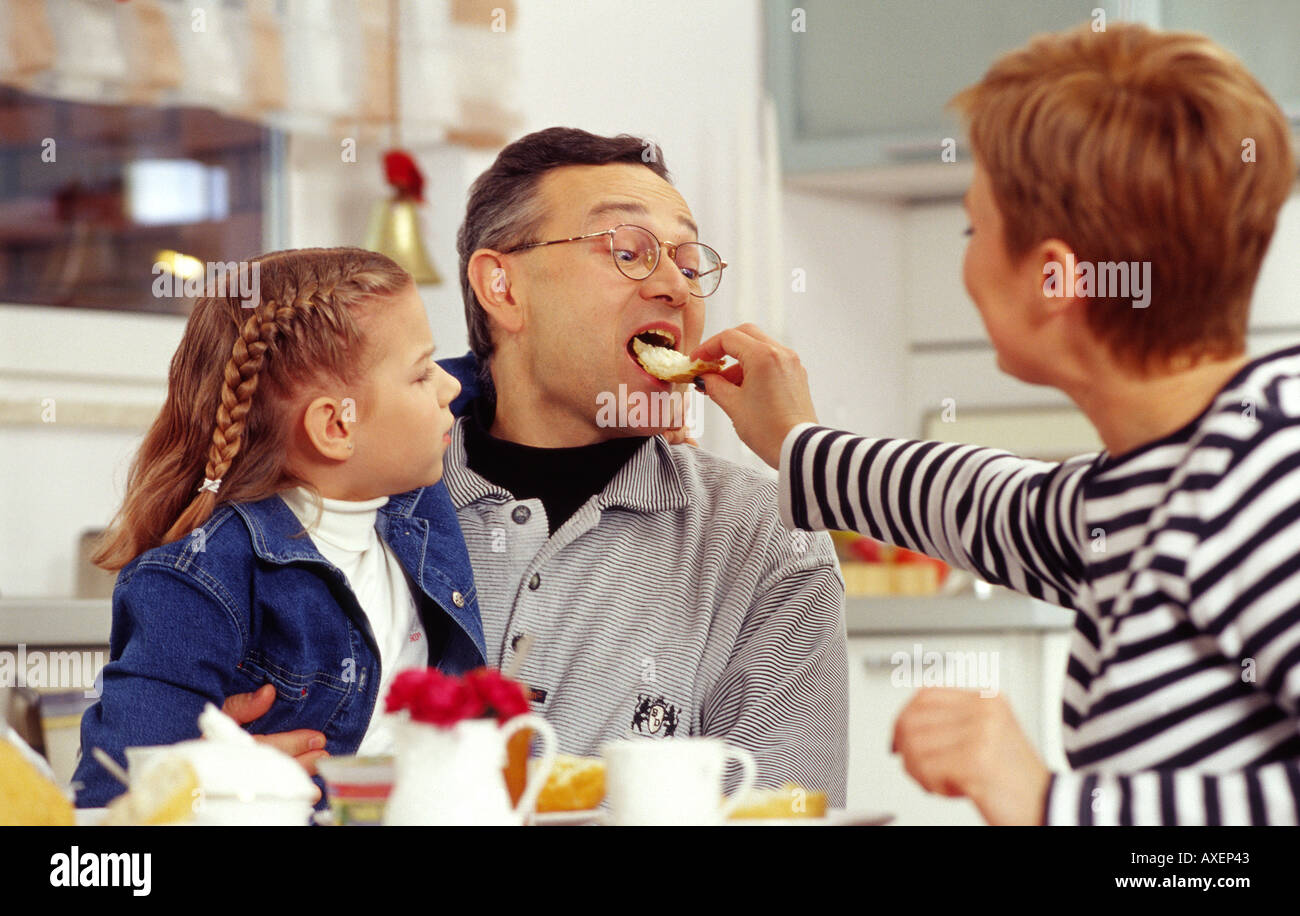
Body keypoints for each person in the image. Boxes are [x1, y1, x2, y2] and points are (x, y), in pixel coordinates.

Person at [693, 22, 1300, 825]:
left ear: (1054, 278)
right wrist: (800, 447)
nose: (969, 264)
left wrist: (1048, 801)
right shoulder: (1164, 476)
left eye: (976, 229)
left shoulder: (1266, 479)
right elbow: (994, 506)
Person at [431, 127, 849, 802]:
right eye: (628, 252)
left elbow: (785, 812)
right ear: (502, 286)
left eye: (688, 264)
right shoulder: (374, 508)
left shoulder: (766, 541)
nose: (673, 288)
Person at [74, 248, 482, 808]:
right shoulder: (197, 584)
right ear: (337, 425)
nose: (449, 388)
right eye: (421, 374)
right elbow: (111, 799)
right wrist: (221, 780)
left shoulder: (408, 496)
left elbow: (503, 373)